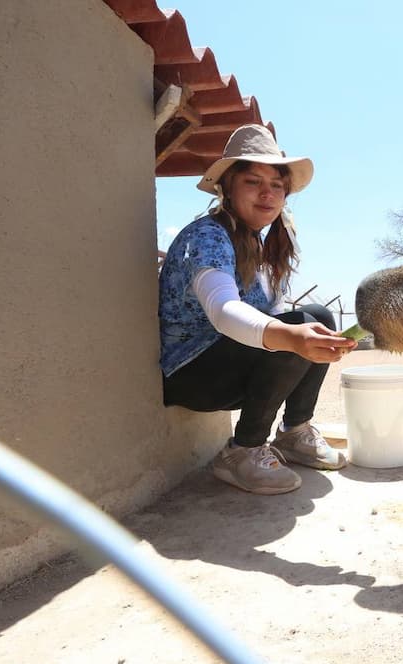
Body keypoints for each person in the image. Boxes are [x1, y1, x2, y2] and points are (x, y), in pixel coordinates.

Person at [158, 124, 356, 495]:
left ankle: (293, 432)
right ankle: (242, 450)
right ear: (228, 188)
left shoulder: (262, 245)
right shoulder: (208, 236)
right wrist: (289, 335)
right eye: (252, 181)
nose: (267, 193)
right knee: (296, 327)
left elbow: (277, 311)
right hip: (192, 374)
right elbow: (223, 309)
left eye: (277, 185)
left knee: (319, 318)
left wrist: (298, 333)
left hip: (229, 367)